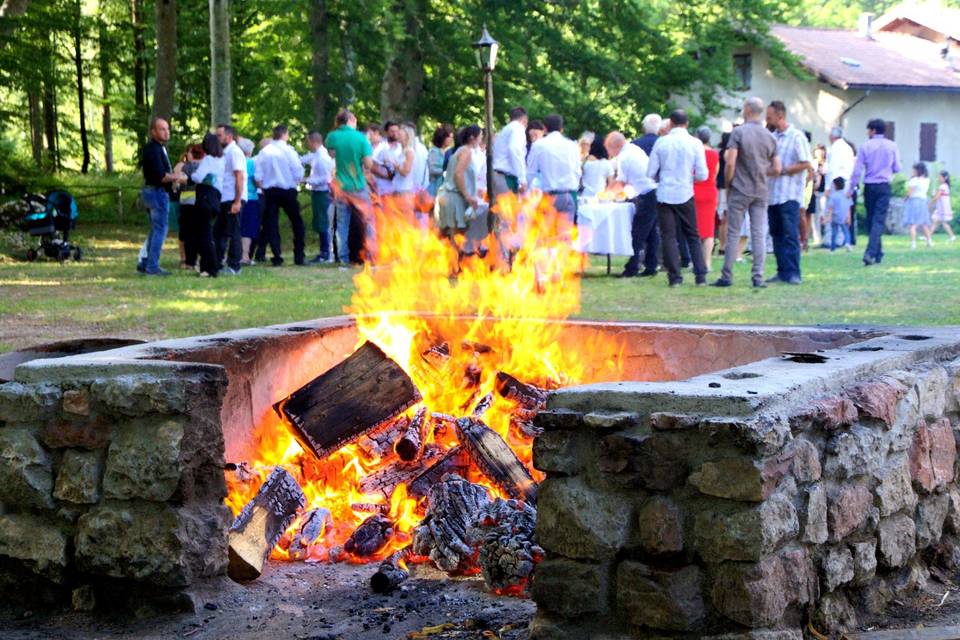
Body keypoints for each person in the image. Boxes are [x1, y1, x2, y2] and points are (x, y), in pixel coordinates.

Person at [713, 97, 780, 288]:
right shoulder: (770, 136)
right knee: (758, 233)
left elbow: (731, 161)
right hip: (761, 189)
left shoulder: (738, 133)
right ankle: (758, 277)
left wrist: (728, 182)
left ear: (747, 109)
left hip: (740, 188)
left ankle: (727, 276)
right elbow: (777, 168)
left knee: (733, 232)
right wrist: (761, 171)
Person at [645, 110, 709, 287]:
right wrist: (688, 179)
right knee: (693, 235)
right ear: (687, 123)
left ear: (670, 123)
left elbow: (650, 172)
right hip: (685, 192)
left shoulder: (661, 142)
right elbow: (703, 175)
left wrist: (662, 178)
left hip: (665, 194)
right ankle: (701, 276)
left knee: (668, 236)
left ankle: (675, 278)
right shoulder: (695, 143)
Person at [764, 100, 812, 285]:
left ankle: (793, 272)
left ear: (780, 116)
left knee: (790, 233)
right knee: (776, 234)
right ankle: (781, 271)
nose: (767, 120)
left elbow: (805, 163)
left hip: (790, 194)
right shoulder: (772, 137)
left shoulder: (797, 136)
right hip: (773, 194)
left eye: (769, 117)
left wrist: (782, 170)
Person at [326, 109, 375, 265]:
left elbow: (332, 155)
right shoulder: (361, 138)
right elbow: (368, 164)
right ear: (351, 120)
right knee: (368, 221)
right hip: (358, 185)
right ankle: (372, 255)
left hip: (341, 186)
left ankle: (343, 258)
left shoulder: (332, 136)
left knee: (342, 223)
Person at [849, 118, 901, 266]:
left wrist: (852, 187)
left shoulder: (865, 146)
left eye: (868, 130)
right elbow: (897, 167)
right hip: (884, 185)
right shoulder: (892, 146)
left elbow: (857, 169)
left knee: (872, 219)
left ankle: (870, 252)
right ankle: (877, 252)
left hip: (870, 186)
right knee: (878, 220)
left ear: (872, 130)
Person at [254, 124, 306, 266]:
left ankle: (277, 255)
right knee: (297, 221)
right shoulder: (289, 151)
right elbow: (298, 171)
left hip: (270, 191)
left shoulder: (264, 152)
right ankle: (299, 255)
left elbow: (258, 175)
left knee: (271, 223)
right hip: (288, 189)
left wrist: (263, 187)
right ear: (285, 134)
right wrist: (296, 181)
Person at [138, 117, 182, 276]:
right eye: (162, 129)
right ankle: (152, 266)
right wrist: (177, 176)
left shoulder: (158, 148)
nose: (166, 132)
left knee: (155, 229)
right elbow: (160, 176)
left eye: (167, 129)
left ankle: (145, 262)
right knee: (160, 229)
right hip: (156, 192)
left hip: (153, 191)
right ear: (153, 131)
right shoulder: (153, 149)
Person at [620, 113, 662, 278]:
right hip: (658, 189)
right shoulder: (661, 143)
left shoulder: (634, 145)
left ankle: (633, 266)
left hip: (644, 191)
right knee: (652, 230)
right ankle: (651, 264)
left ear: (644, 127)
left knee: (639, 231)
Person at [436, 124, 486, 257]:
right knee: (456, 236)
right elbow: (459, 173)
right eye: (480, 136)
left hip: (448, 195)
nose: (481, 139)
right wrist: (468, 196)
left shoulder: (460, 150)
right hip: (454, 196)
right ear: (472, 138)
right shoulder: (466, 151)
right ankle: (453, 268)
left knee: (451, 235)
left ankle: (452, 267)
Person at [526, 114, 582, 223]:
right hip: (568, 195)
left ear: (545, 129)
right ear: (561, 129)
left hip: (548, 197)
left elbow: (530, 173)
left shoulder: (539, 145)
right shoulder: (572, 145)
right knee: (565, 237)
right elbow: (577, 172)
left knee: (548, 238)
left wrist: (524, 192)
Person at [188, 133, 225, 277]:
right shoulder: (223, 160)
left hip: (204, 197)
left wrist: (190, 176)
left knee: (204, 234)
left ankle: (210, 267)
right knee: (208, 233)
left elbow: (198, 176)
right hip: (216, 197)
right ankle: (206, 266)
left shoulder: (208, 160)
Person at [215, 124, 246, 275]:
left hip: (233, 197)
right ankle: (217, 262)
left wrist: (237, 201)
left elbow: (239, 177)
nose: (217, 139)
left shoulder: (234, 152)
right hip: (224, 197)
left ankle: (234, 265)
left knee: (233, 232)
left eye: (219, 136)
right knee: (219, 231)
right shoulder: (224, 153)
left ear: (229, 136)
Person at [302, 130, 335, 263]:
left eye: (307, 141)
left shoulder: (322, 158)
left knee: (323, 221)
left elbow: (325, 178)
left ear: (312, 141)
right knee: (319, 220)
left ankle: (326, 251)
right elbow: (304, 159)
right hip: (317, 192)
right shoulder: (316, 155)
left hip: (323, 192)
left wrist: (306, 180)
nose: (306, 144)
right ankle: (324, 250)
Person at [693, 125, 719, 272]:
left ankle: (696, 262)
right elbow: (715, 173)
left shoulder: (695, 152)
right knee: (708, 230)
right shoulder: (714, 154)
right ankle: (707, 262)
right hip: (709, 191)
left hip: (695, 190)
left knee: (694, 229)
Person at [826, 127, 856, 244]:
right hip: (846, 183)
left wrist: (828, 187)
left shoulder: (835, 148)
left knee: (832, 210)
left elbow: (832, 168)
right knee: (843, 211)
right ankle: (843, 239)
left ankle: (832, 240)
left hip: (837, 183)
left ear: (832, 136)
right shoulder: (847, 148)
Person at [492, 106, 528, 195]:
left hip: (498, 176)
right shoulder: (518, 128)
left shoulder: (505, 130)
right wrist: (522, 179)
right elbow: (514, 149)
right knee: (506, 209)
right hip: (505, 177)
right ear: (524, 119)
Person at [238, 138, 260, 266]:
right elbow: (256, 181)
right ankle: (245, 255)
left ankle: (234, 254)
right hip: (251, 198)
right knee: (248, 228)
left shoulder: (234, 161)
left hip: (236, 197)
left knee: (237, 227)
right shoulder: (251, 163)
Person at [388, 124, 418, 216]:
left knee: (404, 222)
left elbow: (405, 172)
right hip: (397, 190)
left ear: (407, 137)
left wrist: (395, 165)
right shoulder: (402, 151)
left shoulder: (409, 152)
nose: (397, 136)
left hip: (404, 192)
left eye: (400, 135)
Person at [903, 162, 933, 249]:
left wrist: (904, 199)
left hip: (914, 202)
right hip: (923, 202)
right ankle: (929, 241)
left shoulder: (914, 180)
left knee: (913, 224)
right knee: (924, 223)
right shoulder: (927, 180)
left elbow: (909, 193)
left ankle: (913, 243)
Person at [825, 177, 852, 252]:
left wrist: (829, 217)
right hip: (844, 216)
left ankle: (832, 247)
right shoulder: (846, 195)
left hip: (834, 217)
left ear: (835, 186)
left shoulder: (833, 196)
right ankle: (847, 243)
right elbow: (849, 207)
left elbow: (830, 208)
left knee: (834, 232)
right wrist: (849, 217)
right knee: (846, 231)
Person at [428, 125, 454, 196]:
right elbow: (432, 169)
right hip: (435, 188)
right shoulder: (434, 152)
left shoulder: (449, 152)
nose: (451, 139)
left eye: (452, 137)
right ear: (442, 137)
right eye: (449, 137)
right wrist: (446, 171)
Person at [931, 171, 956, 241]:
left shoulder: (943, 186)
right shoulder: (945, 186)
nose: (938, 178)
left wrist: (931, 203)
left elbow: (937, 197)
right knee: (936, 222)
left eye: (940, 177)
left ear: (944, 178)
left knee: (942, 223)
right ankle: (928, 236)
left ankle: (952, 236)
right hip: (942, 207)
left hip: (942, 208)